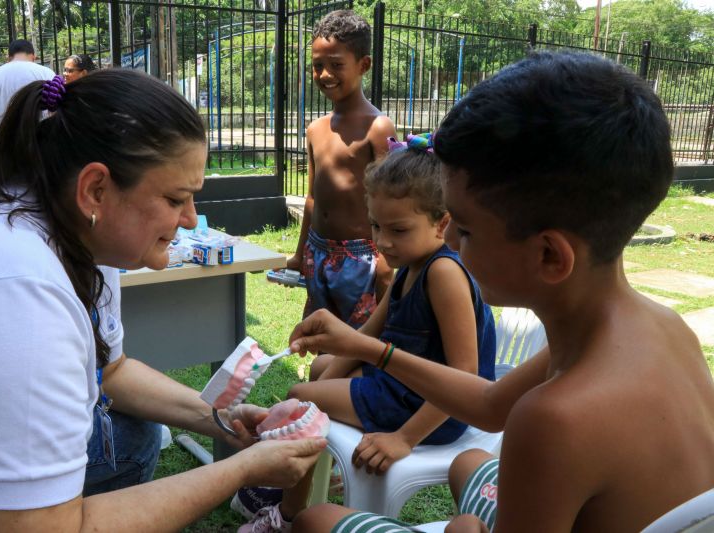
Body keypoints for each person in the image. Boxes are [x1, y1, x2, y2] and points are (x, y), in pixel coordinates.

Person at [287, 51, 714, 532]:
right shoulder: (664, 326)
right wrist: (371, 350)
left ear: (550, 256)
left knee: (318, 521)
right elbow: (490, 408)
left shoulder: (553, 420)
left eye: (464, 229)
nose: (448, 242)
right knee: (469, 463)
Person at [0, 69, 325, 532]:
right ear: (96, 189)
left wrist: (224, 420)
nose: (190, 219)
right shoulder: (16, 291)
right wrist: (241, 469)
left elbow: (112, 369)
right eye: (175, 198)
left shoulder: (75, 227)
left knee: (134, 436)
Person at [237, 134, 497, 533]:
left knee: (299, 398)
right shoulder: (410, 267)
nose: (382, 241)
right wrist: (328, 374)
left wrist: (405, 439)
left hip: (430, 409)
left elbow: (466, 380)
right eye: (376, 225)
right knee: (322, 371)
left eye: (399, 229)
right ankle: (311, 471)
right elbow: (362, 339)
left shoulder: (443, 274)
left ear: (441, 222)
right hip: (400, 385)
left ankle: (286, 516)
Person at [286, 9, 396, 329]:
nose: (324, 74)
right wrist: (300, 253)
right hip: (317, 253)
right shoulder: (315, 129)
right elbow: (312, 199)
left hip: (362, 261)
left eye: (336, 65)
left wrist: (386, 261)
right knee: (324, 337)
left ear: (363, 65)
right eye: (317, 66)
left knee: (359, 342)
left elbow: (393, 200)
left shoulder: (377, 127)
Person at [0, 39, 54, 135]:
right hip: (38, 142)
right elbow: (54, 113)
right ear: (33, 56)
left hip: (3, 143)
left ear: (9, 57)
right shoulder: (47, 73)